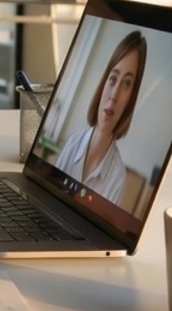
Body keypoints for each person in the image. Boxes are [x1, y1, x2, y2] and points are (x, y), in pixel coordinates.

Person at [52, 30, 147, 204]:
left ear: (131, 99)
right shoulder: (73, 143)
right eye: (113, 79)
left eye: (127, 83)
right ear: (104, 83)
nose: (114, 95)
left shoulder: (118, 176)